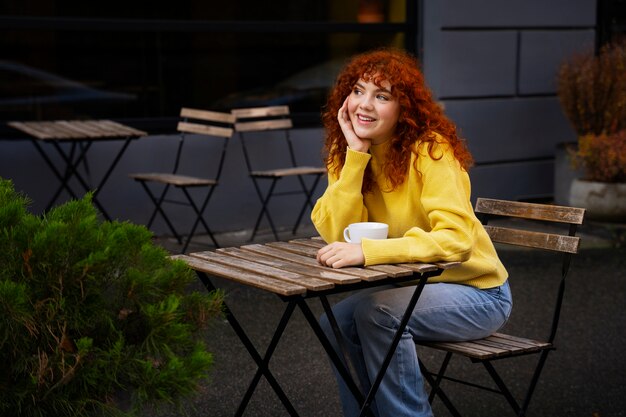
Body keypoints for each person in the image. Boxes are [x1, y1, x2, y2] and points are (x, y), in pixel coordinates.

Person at [311, 48, 512, 417]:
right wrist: (356, 157)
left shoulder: (431, 152)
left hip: (479, 294)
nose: (364, 105)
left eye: (382, 96)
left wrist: (369, 253)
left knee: (378, 313)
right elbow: (337, 232)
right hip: (416, 287)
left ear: (404, 108)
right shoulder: (348, 154)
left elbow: (458, 239)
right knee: (334, 323)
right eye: (357, 91)